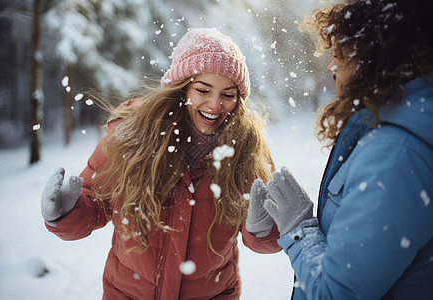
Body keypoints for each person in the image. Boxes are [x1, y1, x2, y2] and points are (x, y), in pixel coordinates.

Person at [40, 28, 282, 299]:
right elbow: (95, 205)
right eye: (203, 89)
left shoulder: (246, 150)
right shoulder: (133, 137)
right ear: (182, 87)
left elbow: (266, 238)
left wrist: (264, 228)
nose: (215, 105)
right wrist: (64, 213)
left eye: (228, 94)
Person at [246, 0, 433, 299]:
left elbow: (337, 292)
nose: (332, 67)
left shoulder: (396, 152)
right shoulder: (388, 127)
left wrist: (300, 228)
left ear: (376, 58)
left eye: (341, 55)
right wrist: (274, 229)